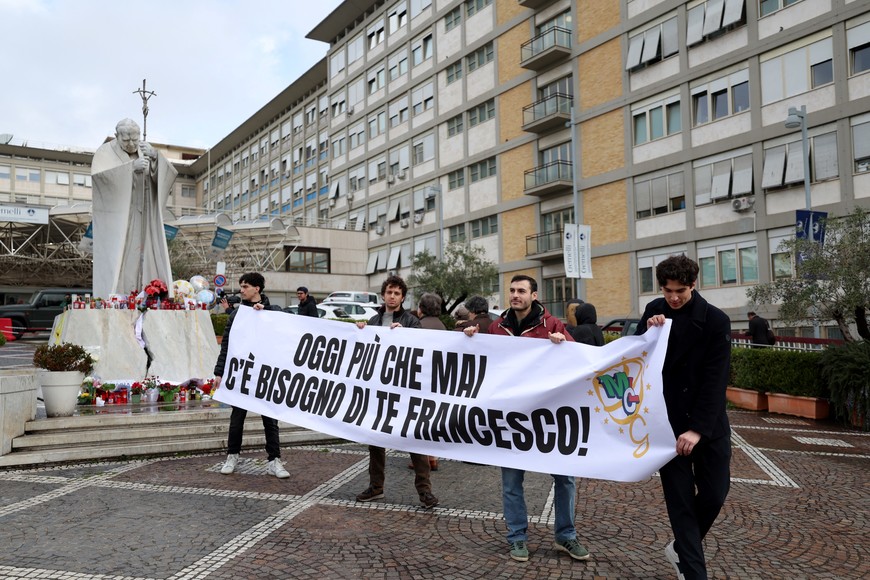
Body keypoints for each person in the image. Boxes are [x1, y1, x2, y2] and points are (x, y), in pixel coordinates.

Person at [463, 275, 589, 563]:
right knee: (511, 481)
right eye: (512, 290)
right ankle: (517, 538)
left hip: (550, 417)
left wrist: (564, 344)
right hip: (513, 419)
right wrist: (471, 340)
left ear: (534, 295)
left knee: (565, 479)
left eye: (521, 291)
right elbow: (486, 361)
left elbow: (578, 363)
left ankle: (566, 536)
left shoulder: (554, 326)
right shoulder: (497, 327)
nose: (515, 295)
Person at [634, 255, 731, 580]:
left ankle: (679, 549)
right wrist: (648, 330)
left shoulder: (716, 321)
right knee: (682, 506)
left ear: (693, 285)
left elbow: (716, 380)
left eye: (680, 291)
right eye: (667, 290)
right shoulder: (654, 310)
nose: (673, 297)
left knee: (715, 494)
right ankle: (693, 572)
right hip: (666, 425)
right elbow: (634, 355)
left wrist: (697, 430)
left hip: (708, 426)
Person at [355, 275, 439, 509]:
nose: (392, 297)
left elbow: (423, 349)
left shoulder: (411, 321)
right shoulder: (373, 320)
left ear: (402, 297)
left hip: (404, 390)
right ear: (383, 295)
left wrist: (405, 335)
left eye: (396, 293)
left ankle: (425, 491)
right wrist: (361, 331)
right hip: (378, 388)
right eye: (389, 292)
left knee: (413, 438)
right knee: (375, 440)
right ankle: (376, 487)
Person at [213, 272, 289, 479]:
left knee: (270, 420)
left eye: (245, 286)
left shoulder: (273, 311)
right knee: (237, 419)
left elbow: (286, 330)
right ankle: (232, 456)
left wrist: (265, 314)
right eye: (241, 286)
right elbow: (226, 346)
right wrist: (219, 372)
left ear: (257, 289)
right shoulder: (236, 315)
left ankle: (275, 460)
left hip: (265, 376)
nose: (242, 290)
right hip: (242, 374)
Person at [91, 118, 177, 299]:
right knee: (123, 255)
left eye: (134, 139)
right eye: (126, 140)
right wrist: (131, 168)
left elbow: (167, 177)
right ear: (116, 136)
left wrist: (155, 158)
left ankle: (148, 292)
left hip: (144, 214)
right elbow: (101, 180)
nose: (131, 144)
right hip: (122, 217)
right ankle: (120, 294)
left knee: (146, 252)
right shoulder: (104, 152)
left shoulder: (145, 149)